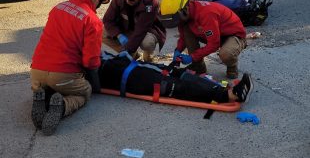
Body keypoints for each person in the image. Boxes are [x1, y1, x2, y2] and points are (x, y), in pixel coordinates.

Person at [30, 0, 113, 136]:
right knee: (84, 92)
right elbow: (90, 61)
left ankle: (42, 95)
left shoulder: (58, 7)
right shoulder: (93, 21)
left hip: (36, 72)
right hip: (63, 76)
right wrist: (94, 85)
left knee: (50, 86)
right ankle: (62, 106)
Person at [158, 0, 247, 79]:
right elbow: (183, 37)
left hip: (233, 36)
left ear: (185, 9)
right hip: (214, 34)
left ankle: (232, 66)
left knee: (226, 54)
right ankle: (198, 67)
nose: (178, 23)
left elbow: (213, 44)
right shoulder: (184, 15)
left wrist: (192, 57)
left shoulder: (206, 14)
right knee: (186, 31)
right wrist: (178, 50)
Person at [99, 53, 253, 105]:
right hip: (126, 76)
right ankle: (229, 95)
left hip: (129, 67)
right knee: (174, 86)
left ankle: (221, 89)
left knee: (176, 72)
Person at [102, 0, 166, 62]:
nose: (128, 2)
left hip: (146, 30)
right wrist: (118, 35)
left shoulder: (151, 2)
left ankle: (148, 58)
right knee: (102, 33)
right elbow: (107, 20)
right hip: (127, 27)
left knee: (147, 43)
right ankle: (134, 55)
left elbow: (141, 30)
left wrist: (129, 50)